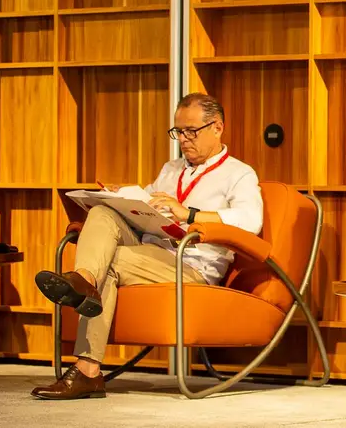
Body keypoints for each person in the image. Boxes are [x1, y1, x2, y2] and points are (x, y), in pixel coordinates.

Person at [29, 93, 263, 400]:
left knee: (111, 261)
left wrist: (189, 214)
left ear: (217, 127)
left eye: (190, 131)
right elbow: (150, 201)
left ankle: (87, 370)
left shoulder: (239, 173)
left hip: (190, 264)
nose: (183, 139)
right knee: (102, 212)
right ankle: (83, 280)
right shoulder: (171, 168)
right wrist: (123, 196)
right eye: (178, 131)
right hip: (150, 249)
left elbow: (250, 221)